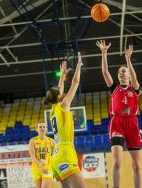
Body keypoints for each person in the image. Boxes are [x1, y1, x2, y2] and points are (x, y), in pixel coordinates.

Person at [97, 40, 142, 188]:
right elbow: (104, 72)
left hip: (132, 123)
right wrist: (104, 53)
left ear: (128, 74)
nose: (121, 73)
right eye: (119, 72)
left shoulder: (134, 88)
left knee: (136, 165)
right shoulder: (114, 88)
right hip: (117, 123)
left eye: (124, 71)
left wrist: (128, 59)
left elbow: (135, 78)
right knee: (117, 161)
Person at [43, 54, 86, 188]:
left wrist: (62, 75)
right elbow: (75, 82)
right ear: (60, 97)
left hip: (56, 155)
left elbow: (59, 88)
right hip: (65, 152)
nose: (63, 92)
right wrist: (79, 66)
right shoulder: (63, 105)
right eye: (62, 93)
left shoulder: (53, 109)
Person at [29, 122, 55, 188]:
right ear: (37, 129)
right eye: (40, 127)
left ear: (46, 129)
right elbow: (33, 157)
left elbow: (56, 156)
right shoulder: (32, 140)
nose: (42, 128)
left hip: (48, 167)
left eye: (44, 127)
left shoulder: (51, 141)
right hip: (36, 168)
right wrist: (41, 167)